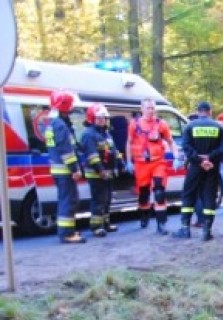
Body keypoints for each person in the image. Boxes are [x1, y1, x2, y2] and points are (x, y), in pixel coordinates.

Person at [125, 98, 181, 235]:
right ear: (142, 109)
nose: (151, 110)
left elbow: (170, 141)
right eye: (148, 108)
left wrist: (176, 156)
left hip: (158, 162)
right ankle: (144, 215)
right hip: (141, 164)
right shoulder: (134, 124)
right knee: (143, 194)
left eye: (152, 108)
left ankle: (161, 224)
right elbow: (129, 143)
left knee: (159, 192)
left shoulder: (161, 124)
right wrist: (128, 161)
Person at [173, 102, 223, 241]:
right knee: (210, 196)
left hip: (195, 167)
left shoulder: (190, 126)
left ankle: (185, 229)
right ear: (210, 111)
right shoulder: (219, 127)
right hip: (212, 167)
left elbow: (186, 146)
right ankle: (207, 231)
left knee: (188, 195)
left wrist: (199, 160)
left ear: (198, 112)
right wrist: (210, 158)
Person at [46, 90, 86, 244]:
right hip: (64, 170)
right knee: (69, 200)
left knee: (66, 199)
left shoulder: (53, 123)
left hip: (59, 169)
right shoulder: (60, 125)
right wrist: (74, 169)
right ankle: (67, 234)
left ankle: (67, 231)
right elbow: (66, 149)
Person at [80, 103, 122, 237]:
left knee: (107, 199)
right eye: (99, 118)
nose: (102, 120)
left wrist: (120, 163)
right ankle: (96, 226)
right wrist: (101, 170)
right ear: (92, 118)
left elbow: (113, 151)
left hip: (108, 173)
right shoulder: (88, 134)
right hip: (96, 174)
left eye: (104, 118)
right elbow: (92, 156)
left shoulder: (106, 134)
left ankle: (106, 223)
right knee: (98, 200)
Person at [187, 112, 205, 228]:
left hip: (195, 165)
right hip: (207, 165)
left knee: (195, 194)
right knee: (203, 194)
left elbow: (187, 149)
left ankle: (200, 220)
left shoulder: (190, 131)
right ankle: (203, 220)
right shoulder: (204, 131)